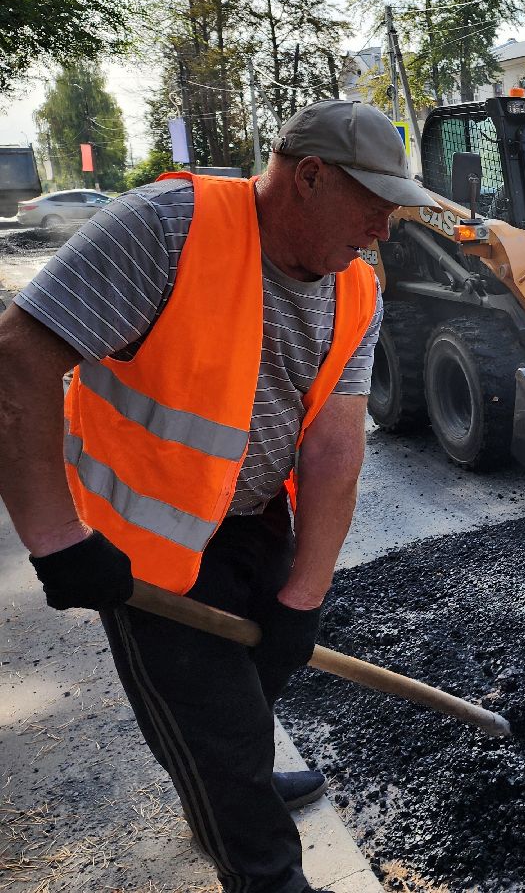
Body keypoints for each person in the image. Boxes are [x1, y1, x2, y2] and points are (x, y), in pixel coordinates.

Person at [0, 99, 434, 893]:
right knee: (216, 734)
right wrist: (57, 540)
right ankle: (259, 861)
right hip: (145, 543)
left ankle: (237, 785)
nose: (382, 230)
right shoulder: (165, 229)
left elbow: (336, 444)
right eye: (374, 205)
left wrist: (305, 594)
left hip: (255, 520)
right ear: (309, 176)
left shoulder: (355, 289)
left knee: (258, 680)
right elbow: (19, 360)